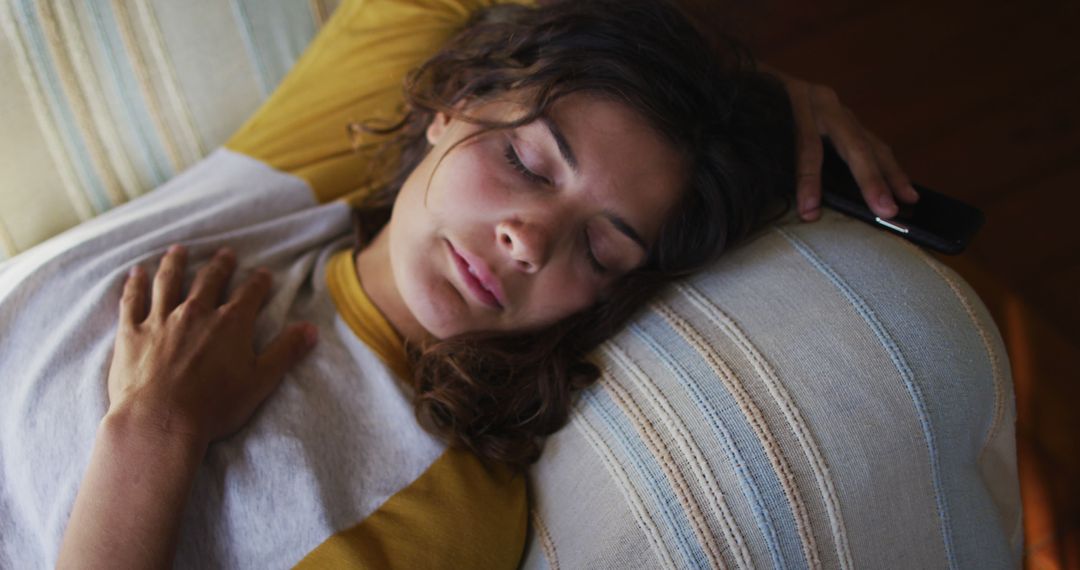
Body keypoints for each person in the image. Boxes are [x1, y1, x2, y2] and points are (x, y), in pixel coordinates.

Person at [0, 0, 915, 567]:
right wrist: (751, 92)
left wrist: (154, 435)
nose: (526, 239)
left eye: (601, 249)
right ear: (451, 106)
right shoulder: (285, 190)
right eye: (525, 160)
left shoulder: (445, 509)